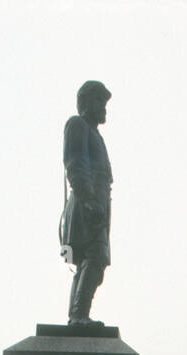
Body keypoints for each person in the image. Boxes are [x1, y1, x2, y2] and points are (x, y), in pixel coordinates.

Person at [60, 81, 113, 326]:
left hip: (98, 204)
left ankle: (78, 315)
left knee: (90, 261)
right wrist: (90, 200)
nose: (103, 108)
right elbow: (75, 163)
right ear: (87, 103)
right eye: (100, 103)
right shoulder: (77, 125)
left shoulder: (95, 134)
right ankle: (79, 316)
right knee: (95, 257)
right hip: (87, 203)